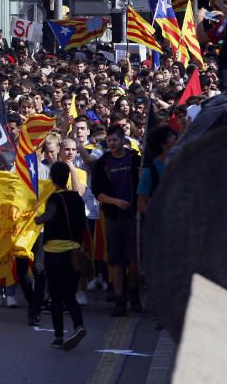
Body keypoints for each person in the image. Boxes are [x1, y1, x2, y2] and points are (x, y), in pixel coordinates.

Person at [34, 162, 88, 350]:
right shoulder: (77, 198)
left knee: (56, 297)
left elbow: (49, 215)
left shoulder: (54, 199)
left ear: (52, 179)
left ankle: (58, 336)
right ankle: (79, 325)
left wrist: (38, 219)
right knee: (70, 295)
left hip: (54, 254)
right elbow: (83, 223)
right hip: (73, 252)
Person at [90, 124, 141, 316]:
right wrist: (116, 202)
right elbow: (98, 192)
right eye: (109, 141)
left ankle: (134, 293)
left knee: (134, 260)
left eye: (115, 140)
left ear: (123, 140)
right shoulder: (103, 163)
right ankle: (120, 300)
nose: (111, 144)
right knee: (115, 261)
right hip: (113, 217)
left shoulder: (135, 160)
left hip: (133, 217)